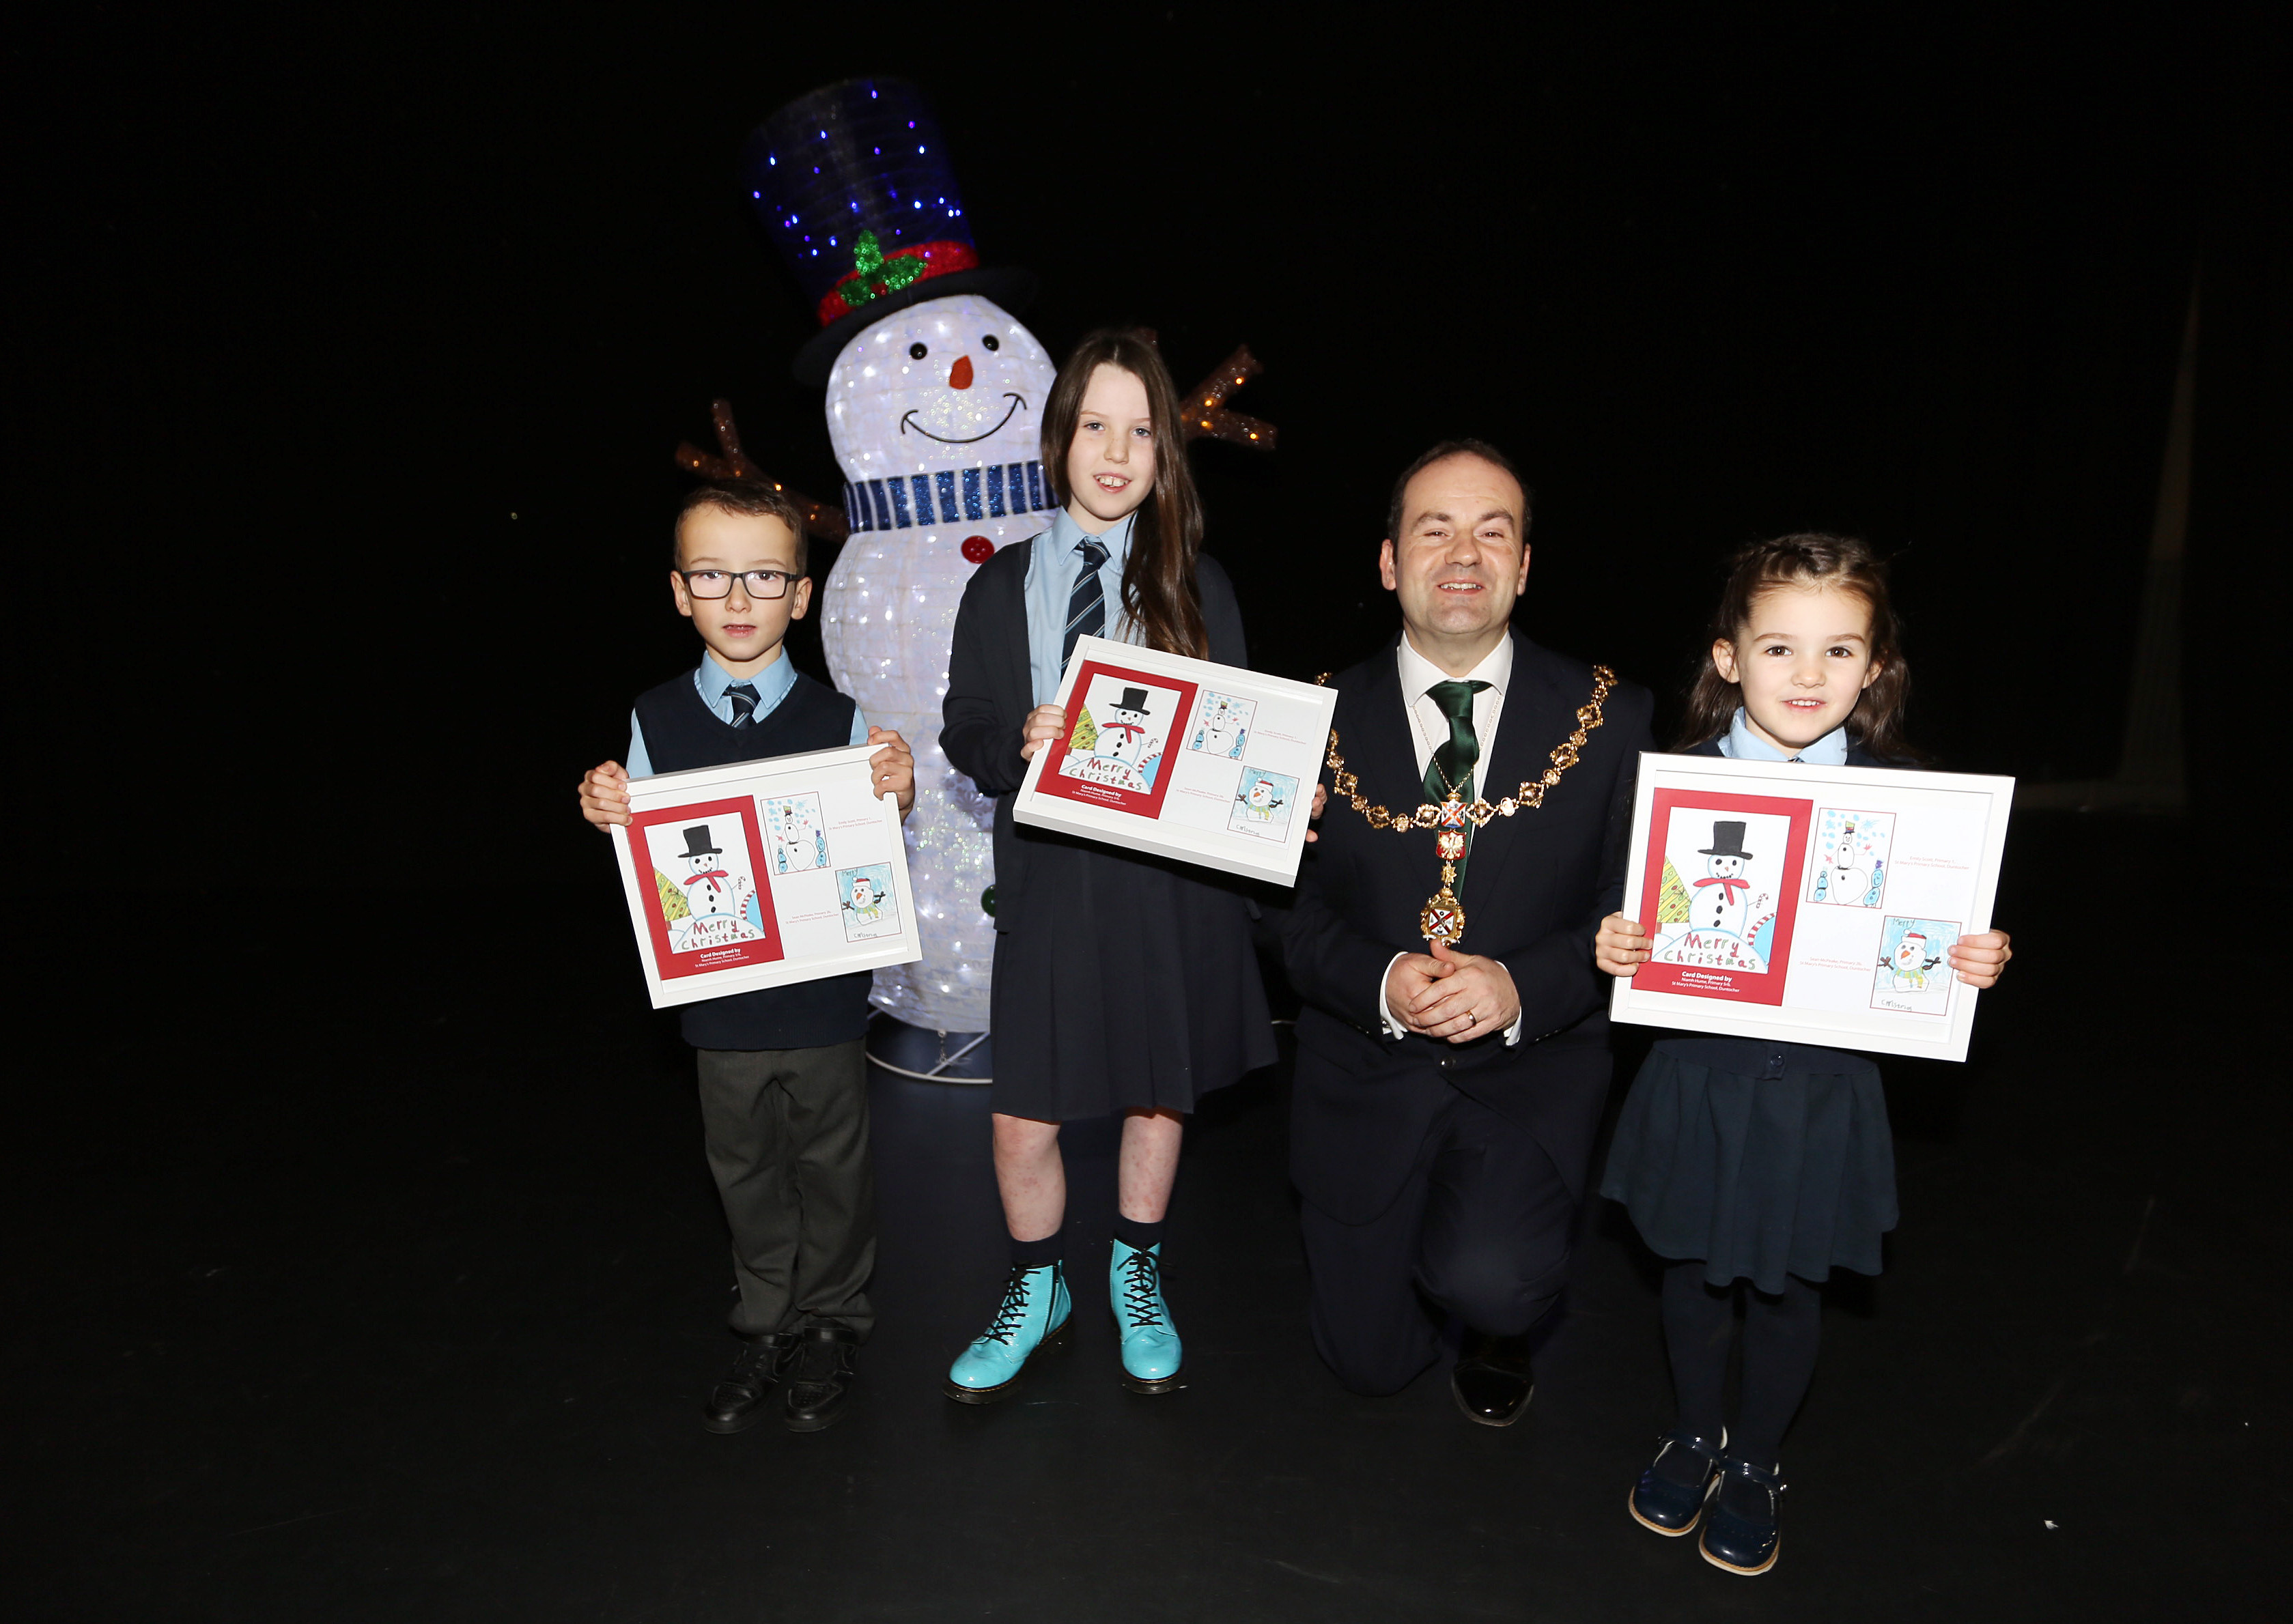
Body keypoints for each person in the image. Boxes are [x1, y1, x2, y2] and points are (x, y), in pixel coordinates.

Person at [1594, 533, 2013, 1576]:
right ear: (1729, 657)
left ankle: (1757, 1462)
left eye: (1838, 651)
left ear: (1874, 668)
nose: (1807, 675)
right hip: (1699, 1079)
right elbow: (1616, 911)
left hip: (1822, 1096)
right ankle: (1694, 1435)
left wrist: (1971, 956)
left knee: (1786, 1292)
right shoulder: (1670, 787)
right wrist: (1611, 940)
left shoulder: (1914, 799)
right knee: (1690, 1278)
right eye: (1778, 648)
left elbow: (1926, 940)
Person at [1276, 440, 1655, 1425]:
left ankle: (1495, 1316)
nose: (1463, 553)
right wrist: (1383, 978)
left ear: (1524, 567)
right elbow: (1281, 919)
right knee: (1363, 1363)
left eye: (1493, 532)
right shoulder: (1301, 717)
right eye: (1432, 529)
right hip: (1364, 1071)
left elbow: (1634, 919)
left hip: (1525, 1080)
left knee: (1492, 1281)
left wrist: (1522, 985)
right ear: (1388, 561)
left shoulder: (1613, 717)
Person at [938, 328, 1275, 1402]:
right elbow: (965, 728)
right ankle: (1039, 1288)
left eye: (1141, 430)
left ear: (1163, 452)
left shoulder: (1197, 583)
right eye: (1096, 426)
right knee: (1021, 1111)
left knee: (1156, 1091)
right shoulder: (1000, 588)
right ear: (1058, 439)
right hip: (1049, 875)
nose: (1117, 452)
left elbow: (1235, 739)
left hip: (1166, 884)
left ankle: (1136, 1268)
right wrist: (1017, 745)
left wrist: (1271, 793)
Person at [576, 481, 916, 1436]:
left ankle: (832, 1322)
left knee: (832, 1166)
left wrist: (899, 789)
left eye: (764, 576)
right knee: (744, 1170)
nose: (738, 598)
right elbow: (643, 855)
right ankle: (764, 1320)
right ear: (679, 592)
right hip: (719, 1006)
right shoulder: (653, 716)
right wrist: (610, 805)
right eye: (713, 576)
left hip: (819, 1003)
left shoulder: (841, 718)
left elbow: (873, 837)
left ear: (800, 597)